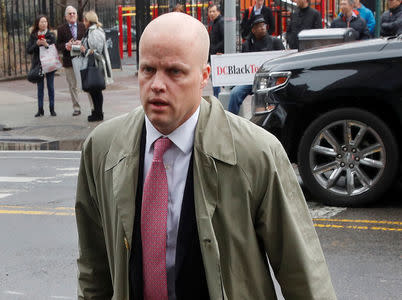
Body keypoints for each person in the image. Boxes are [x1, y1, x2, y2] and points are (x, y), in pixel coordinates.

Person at [75, 12, 336, 299]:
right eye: (148, 69)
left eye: (175, 72)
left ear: (203, 77)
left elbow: (302, 271)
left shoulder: (256, 153)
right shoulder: (102, 147)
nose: (157, 85)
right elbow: (93, 266)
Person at [228, 16, 284, 115]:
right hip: (251, 80)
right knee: (235, 93)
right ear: (253, 30)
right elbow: (242, 66)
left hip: (271, 80)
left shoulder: (275, 42)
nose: (262, 28)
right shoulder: (247, 45)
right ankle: (230, 121)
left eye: (263, 25)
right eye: (259, 26)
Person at [79, 11, 113, 122]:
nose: (84, 22)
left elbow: (97, 50)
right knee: (93, 90)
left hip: (95, 64)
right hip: (91, 63)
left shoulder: (95, 31)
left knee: (96, 89)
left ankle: (98, 113)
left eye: (85, 20)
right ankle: (96, 112)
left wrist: (86, 50)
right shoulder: (91, 31)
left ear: (88, 20)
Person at [56, 6, 86, 116]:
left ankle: (93, 107)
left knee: (87, 83)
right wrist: (66, 45)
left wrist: (81, 43)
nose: (72, 15)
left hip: (82, 59)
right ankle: (76, 107)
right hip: (69, 60)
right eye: (70, 14)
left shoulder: (83, 26)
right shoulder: (61, 29)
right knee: (72, 85)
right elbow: (58, 45)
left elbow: (88, 41)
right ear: (66, 16)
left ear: (77, 15)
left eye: (74, 13)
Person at [27, 15, 57, 117]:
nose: (44, 24)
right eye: (41, 22)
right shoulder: (33, 35)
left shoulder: (51, 34)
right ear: (37, 24)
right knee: (40, 88)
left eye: (45, 22)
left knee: (50, 86)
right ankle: (40, 109)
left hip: (49, 63)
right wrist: (36, 43)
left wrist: (46, 44)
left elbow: (54, 47)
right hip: (38, 65)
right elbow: (29, 50)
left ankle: (52, 108)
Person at [208, 3, 223, 98]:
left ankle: (217, 97)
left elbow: (224, 38)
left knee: (216, 78)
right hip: (214, 54)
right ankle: (216, 96)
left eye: (214, 11)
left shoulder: (220, 22)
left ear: (218, 12)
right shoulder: (214, 22)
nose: (211, 13)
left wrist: (220, 50)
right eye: (210, 12)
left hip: (218, 54)